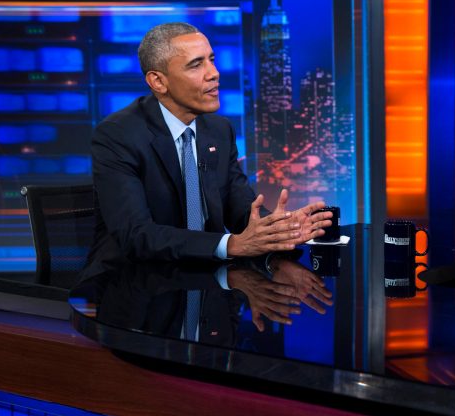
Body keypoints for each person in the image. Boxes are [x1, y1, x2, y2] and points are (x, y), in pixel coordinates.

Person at [81, 21, 332, 327]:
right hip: (134, 299)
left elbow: (240, 208)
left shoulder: (219, 130)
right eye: (196, 65)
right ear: (158, 81)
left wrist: (276, 228)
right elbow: (136, 235)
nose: (213, 73)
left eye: (211, 59)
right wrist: (232, 245)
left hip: (209, 286)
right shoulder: (118, 135)